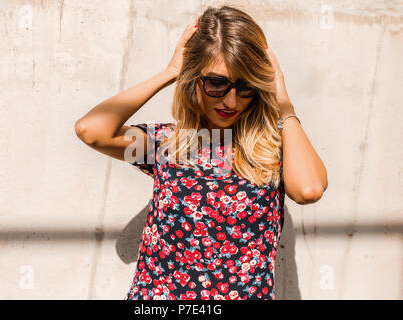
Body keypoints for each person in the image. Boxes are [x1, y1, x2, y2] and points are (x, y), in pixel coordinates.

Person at [75, 5, 328, 300]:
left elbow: (308, 190)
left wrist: (283, 103)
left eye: (245, 86)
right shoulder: (167, 145)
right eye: (217, 83)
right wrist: (169, 72)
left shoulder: (273, 150)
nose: (231, 100)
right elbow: (91, 131)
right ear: (195, 78)